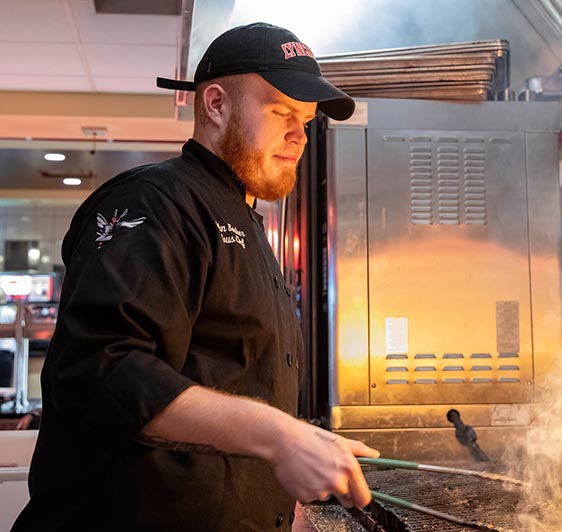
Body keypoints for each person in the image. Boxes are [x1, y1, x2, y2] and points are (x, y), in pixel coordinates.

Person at [12, 22, 379, 532]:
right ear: (214, 104)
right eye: (282, 112)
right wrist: (278, 435)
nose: (299, 134)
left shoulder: (245, 221)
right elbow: (102, 369)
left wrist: (278, 504)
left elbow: (228, 381)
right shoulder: (154, 202)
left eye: (307, 119)